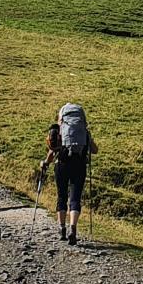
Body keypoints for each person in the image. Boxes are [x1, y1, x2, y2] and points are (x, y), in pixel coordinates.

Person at [43, 102, 96, 244]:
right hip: (79, 166)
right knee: (75, 198)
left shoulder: (60, 130)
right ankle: (73, 228)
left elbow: (52, 151)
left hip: (62, 164)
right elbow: (95, 150)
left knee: (61, 196)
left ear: (61, 117)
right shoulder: (84, 131)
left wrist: (45, 163)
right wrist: (86, 139)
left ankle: (62, 229)